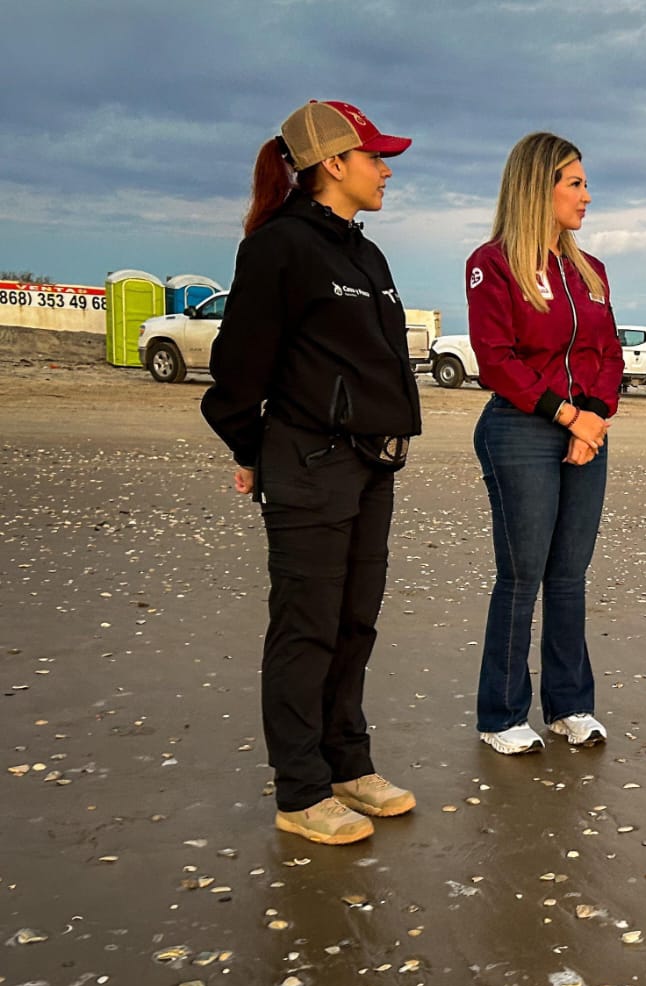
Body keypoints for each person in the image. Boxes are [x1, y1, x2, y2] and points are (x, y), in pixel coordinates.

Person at [201, 99, 422, 846]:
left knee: (355, 619)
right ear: (333, 163)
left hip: (371, 467)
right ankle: (299, 789)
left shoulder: (364, 251)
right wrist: (251, 448)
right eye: (374, 157)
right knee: (307, 627)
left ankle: (346, 764)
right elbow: (237, 371)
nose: (385, 169)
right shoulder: (280, 248)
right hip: (309, 465)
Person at [466, 132, 622, 755]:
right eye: (575, 183)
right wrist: (566, 415)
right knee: (522, 574)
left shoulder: (591, 271)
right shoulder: (493, 262)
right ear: (540, 187)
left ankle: (570, 706)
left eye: (585, 183)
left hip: (586, 432)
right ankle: (501, 714)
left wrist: (594, 419)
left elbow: (608, 353)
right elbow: (495, 359)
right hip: (522, 430)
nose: (587, 195)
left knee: (569, 575)